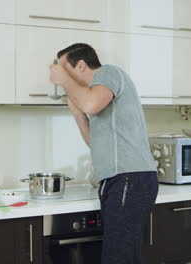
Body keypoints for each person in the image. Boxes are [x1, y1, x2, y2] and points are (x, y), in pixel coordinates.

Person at [49, 43, 159, 264]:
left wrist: (65, 82)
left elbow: (90, 103)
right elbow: (95, 144)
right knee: (120, 254)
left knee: (119, 257)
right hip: (118, 181)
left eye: (63, 68)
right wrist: (77, 113)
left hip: (130, 178)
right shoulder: (98, 96)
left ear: (81, 66)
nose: (59, 74)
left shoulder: (109, 73)